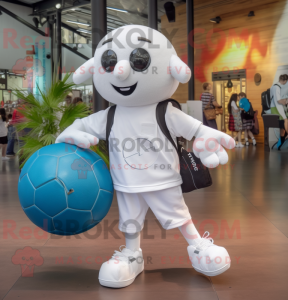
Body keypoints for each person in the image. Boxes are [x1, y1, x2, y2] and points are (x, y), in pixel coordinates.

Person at [56, 25, 235, 288]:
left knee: (179, 215)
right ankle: (132, 254)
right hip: (126, 183)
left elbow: (195, 128)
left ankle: (197, 245)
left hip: (164, 179)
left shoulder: (165, 112)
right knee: (130, 222)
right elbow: (80, 126)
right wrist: (69, 136)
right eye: (109, 62)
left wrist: (205, 137)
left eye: (140, 60)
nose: (121, 70)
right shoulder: (110, 115)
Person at [270, 74, 288, 150]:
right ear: (284, 80)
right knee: (285, 121)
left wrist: (284, 101)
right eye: (286, 81)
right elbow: (278, 101)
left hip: (274, 108)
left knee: (282, 127)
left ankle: (281, 143)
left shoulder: (273, 86)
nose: (286, 83)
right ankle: (282, 142)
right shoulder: (277, 87)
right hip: (277, 109)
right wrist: (285, 101)